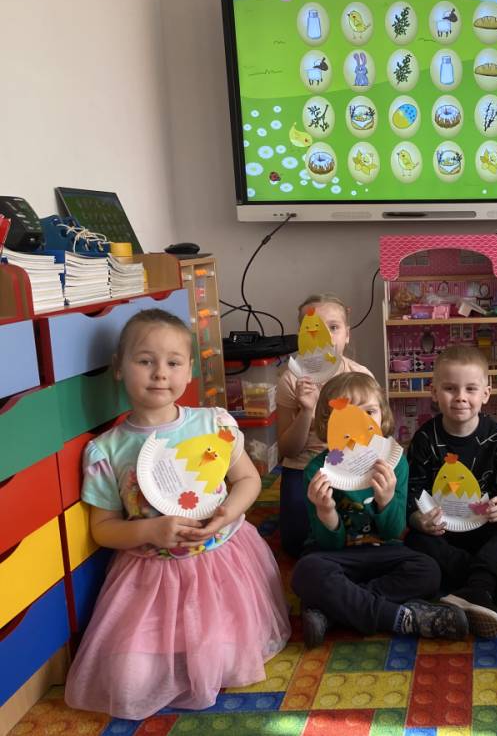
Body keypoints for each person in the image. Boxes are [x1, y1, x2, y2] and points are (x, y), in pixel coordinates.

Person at [63, 309, 290, 720]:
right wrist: (150, 529)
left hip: (219, 565)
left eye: (173, 362)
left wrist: (226, 513)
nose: (159, 373)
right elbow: (103, 528)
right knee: (127, 681)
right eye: (144, 361)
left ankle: (203, 643)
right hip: (152, 576)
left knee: (227, 662)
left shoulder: (213, 424)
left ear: (189, 371)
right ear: (119, 368)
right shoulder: (105, 450)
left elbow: (247, 480)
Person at [291, 372, 468, 647]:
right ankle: (396, 617)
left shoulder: (394, 462)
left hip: (383, 553)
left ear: (382, 415)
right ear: (328, 423)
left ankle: (333, 611)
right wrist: (327, 512)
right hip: (336, 557)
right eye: (346, 415)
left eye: (369, 412)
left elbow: (394, 532)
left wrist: (385, 500)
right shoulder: (318, 470)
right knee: (307, 571)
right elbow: (328, 544)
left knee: (428, 571)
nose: (359, 422)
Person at [405, 346, 497, 638]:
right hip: (443, 531)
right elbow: (412, 490)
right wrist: (419, 520)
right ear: (434, 392)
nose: (461, 397)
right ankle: (493, 586)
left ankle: (475, 589)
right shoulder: (425, 438)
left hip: (485, 528)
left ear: (486, 394)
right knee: (414, 540)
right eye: (450, 388)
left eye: (470, 389)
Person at [277, 294, 373, 557]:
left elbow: (375, 435)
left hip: (351, 463)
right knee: (296, 544)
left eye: (333, 327)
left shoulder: (360, 377)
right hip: (304, 465)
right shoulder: (291, 380)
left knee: (363, 529)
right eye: (314, 329)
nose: (325, 336)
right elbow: (288, 450)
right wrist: (307, 410)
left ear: (347, 335)